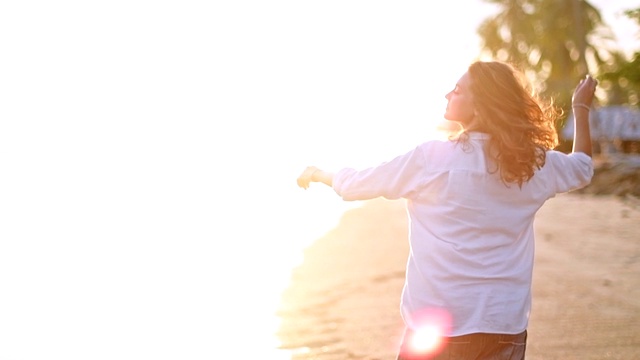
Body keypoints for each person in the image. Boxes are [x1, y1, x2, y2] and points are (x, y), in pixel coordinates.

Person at [296, 61, 597, 360]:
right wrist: (580, 108)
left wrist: (321, 174)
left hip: (438, 328)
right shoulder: (533, 164)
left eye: (456, 91)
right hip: (504, 322)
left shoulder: (432, 159)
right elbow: (583, 167)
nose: (446, 96)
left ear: (480, 105)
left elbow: (357, 185)